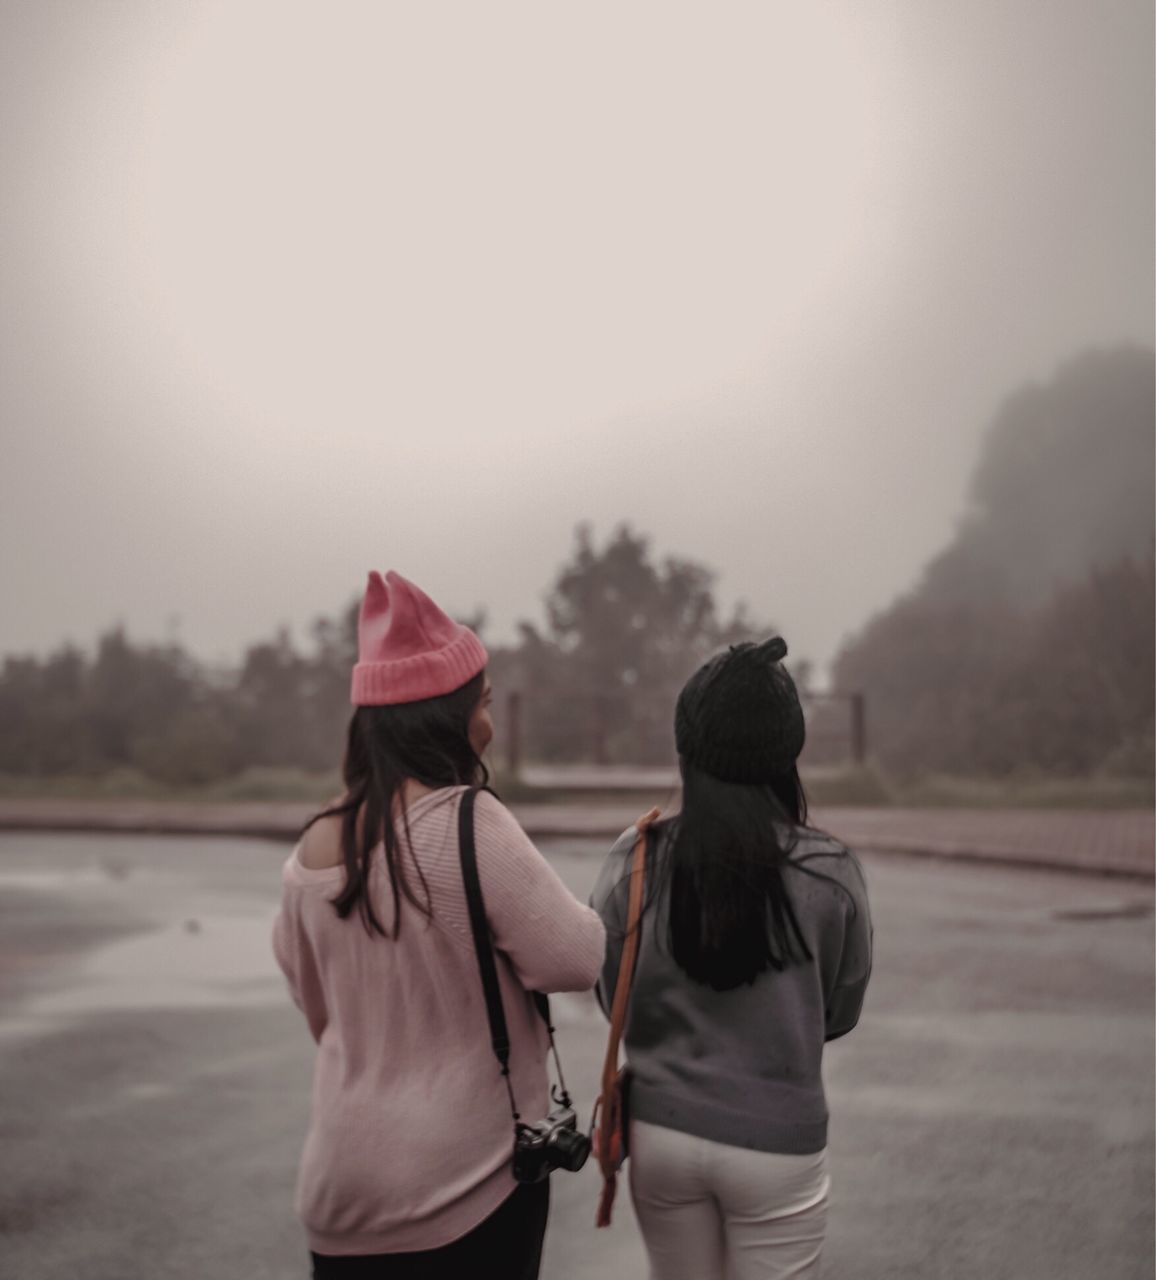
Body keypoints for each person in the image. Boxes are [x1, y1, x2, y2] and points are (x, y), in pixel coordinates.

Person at [272, 570, 605, 1279]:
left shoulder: (313, 846)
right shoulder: (467, 821)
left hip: (340, 1193)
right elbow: (575, 959)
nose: (489, 723)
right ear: (442, 718)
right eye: (481, 704)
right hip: (464, 1188)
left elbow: (319, 1011)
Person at [590, 636, 872, 1280]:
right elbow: (840, 1009)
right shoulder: (830, 872)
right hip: (779, 1139)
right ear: (786, 755)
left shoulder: (634, 859)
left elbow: (614, 996)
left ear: (686, 751)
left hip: (660, 1134)